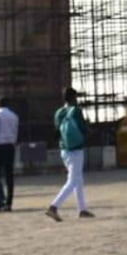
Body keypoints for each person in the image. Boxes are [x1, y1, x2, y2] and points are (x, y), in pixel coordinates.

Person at [46, 87, 95, 221]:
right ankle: (54, 207)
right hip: (76, 149)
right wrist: (89, 131)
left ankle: (82, 209)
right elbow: (82, 128)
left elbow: (57, 132)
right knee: (73, 181)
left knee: (78, 180)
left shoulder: (58, 113)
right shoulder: (76, 111)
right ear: (74, 97)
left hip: (64, 149)